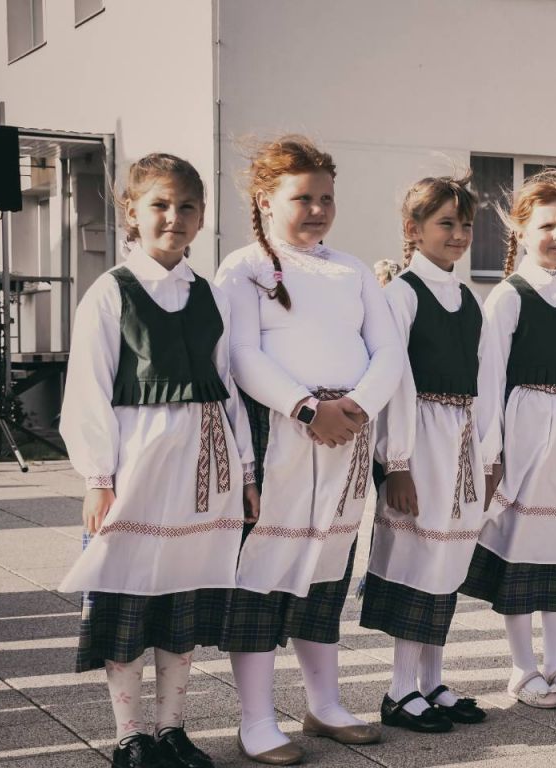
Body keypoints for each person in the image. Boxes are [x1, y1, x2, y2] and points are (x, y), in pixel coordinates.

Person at [59, 153, 256, 768]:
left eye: (187, 206)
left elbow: (227, 387)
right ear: (132, 213)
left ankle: (172, 728)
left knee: (182, 601)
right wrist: (98, 477)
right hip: (138, 472)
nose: (174, 217)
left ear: (202, 215)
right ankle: (131, 736)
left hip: (203, 471)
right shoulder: (111, 292)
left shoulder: (210, 294)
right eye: (160, 205)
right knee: (127, 596)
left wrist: (246, 472)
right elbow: (87, 390)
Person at [214, 135, 404, 764]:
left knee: (327, 561)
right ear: (265, 200)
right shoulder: (243, 268)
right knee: (265, 567)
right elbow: (242, 354)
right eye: (303, 198)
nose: (318, 209)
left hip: (346, 433)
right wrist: (305, 408)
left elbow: (388, 350)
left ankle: (324, 704)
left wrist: (357, 408)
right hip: (280, 432)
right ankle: (257, 718)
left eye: (327, 197)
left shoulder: (352, 269)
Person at [460, 169, 556, 709]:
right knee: (522, 553)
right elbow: (488, 382)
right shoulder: (508, 298)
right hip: (527, 442)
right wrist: (492, 455)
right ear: (521, 230)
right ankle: (522, 668)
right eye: (547, 225)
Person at [363, 175, 493, 733]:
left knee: (446, 561)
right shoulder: (402, 294)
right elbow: (395, 382)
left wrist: (488, 455)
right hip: (418, 442)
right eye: (446, 223)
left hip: (459, 440)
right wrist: (396, 463)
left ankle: (432, 681)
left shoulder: (468, 298)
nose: (458, 234)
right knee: (418, 560)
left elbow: (485, 382)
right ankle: (399, 690)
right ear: (413, 230)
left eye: (465, 224)